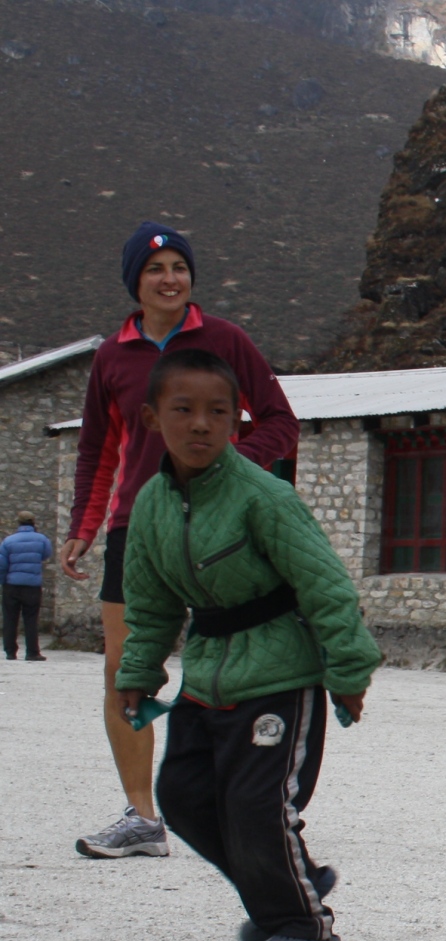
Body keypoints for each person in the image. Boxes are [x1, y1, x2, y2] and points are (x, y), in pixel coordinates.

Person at [115, 349, 380, 941]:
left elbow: (326, 586)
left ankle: (303, 923)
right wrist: (138, 672)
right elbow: (150, 604)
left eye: (218, 412)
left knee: (256, 806)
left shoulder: (264, 496)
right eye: (184, 410)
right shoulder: (151, 505)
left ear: (236, 422)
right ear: (152, 418)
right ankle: (289, 884)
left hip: (280, 675)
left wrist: (348, 671)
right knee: (183, 796)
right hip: (207, 674)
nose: (200, 424)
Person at [67, 221, 299, 860]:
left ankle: (254, 801)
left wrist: (228, 463)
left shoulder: (225, 340)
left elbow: (280, 421)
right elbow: (98, 449)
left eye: (179, 267)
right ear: (134, 282)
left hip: (225, 523)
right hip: (138, 528)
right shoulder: (112, 358)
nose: (170, 279)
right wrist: (84, 527)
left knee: (242, 663)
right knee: (124, 668)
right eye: (155, 269)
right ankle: (143, 817)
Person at [0, 510, 52, 661]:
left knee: (10, 618)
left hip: (12, 585)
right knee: (31, 619)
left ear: (18, 522)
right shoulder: (42, 539)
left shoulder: (8, 541)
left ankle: (10, 652)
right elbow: (46, 554)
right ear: (33, 523)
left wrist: (3, 581)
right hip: (32, 585)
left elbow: (2, 564)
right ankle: (32, 652)